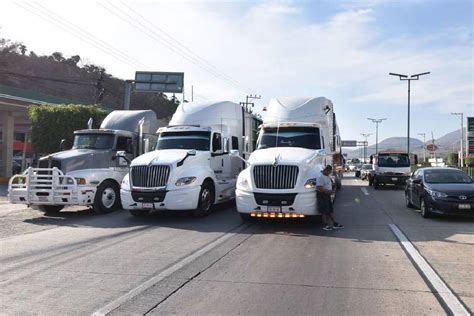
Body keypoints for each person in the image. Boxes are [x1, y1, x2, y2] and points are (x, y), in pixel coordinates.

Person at [316, 165, 344, 231]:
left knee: (330, 210)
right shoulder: (321, 177)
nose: (329, 173)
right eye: (329, 171)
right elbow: (319, 187)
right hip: (322, 195)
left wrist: (331, 191)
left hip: (327, 195)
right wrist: (328, 191)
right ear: (326, 170)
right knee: (324, 210)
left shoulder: (327, 176)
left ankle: (334, 224)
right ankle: (325, 225)